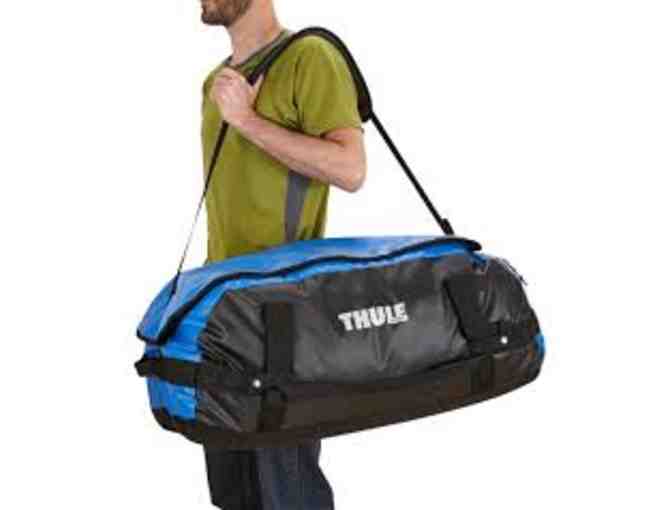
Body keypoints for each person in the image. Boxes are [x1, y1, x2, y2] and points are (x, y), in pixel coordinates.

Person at [198, 1, 367, 508]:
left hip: (282, 316)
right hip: (221, 313)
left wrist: (246, 120)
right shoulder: (215, 83)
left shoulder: (309, 57)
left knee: (286, 491)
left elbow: (350, 168)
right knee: (235, 494)